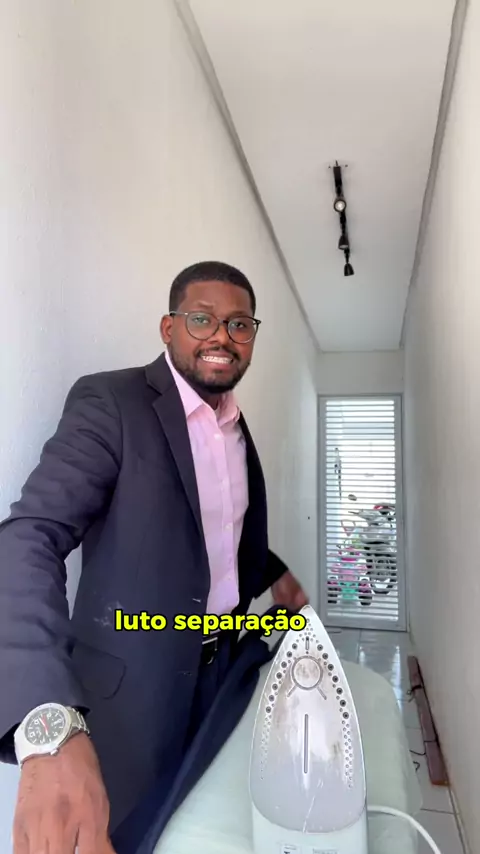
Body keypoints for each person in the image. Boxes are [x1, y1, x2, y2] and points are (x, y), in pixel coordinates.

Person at [0, 260, 308, 854]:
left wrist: (275, 574)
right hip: (131, 697)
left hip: (223, 673)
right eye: (202, 319)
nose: (222, 336)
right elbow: (30, 535)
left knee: (197, 831)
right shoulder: (113, 402)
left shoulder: (235, 427)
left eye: (239, 324)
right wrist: (46, 720)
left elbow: (218, 528)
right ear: (169, 328)